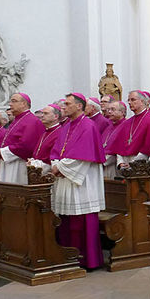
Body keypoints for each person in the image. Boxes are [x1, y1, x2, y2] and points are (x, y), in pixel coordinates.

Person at [50, 93, 106, 270]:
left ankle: (87, 260)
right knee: (67, 220)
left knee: (82, 221)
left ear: (79, 106)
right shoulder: (67, 125)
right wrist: (56, 165)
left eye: (67, 104)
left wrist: (60, 168)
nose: (63, 107)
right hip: (67, 178)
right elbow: (56, 151)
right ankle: (68, 256)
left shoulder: (88, 126)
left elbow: (83, 157)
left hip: (83, 183)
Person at [0, 92, 45, 184]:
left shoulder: (32, 121)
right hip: (9, 163)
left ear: (24, 104)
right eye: (10, 101)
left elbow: (26, 146)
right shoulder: (17, 119)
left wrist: (1, 152)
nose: (10, 104)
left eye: (14, 101)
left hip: (19, 165)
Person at [109, 90, 150, 169]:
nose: (130, 103)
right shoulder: (128, 122)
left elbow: (149, 148)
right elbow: (119, 147)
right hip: (125, 166)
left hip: (143, 165)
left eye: (133, 100)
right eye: (128, 100)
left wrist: (133, 163)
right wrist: (120, 163)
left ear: (142, 101)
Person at [28, 104, 63, 174]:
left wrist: (35, 165)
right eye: (42, 113)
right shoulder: (45, 131)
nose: (42, 116)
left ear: (56, 116)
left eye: (46, 113)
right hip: (37, 171)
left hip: (49, 173)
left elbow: (54, 158)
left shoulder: (61, 133)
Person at [100, 101, 128, 179]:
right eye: (109, 109)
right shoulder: (109, 127)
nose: (109, 112)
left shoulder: (126, 126)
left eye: (113, 109)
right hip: (103, 163)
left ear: (122, 112)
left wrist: (103, 162)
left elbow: (119, 150)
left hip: (114, 165)